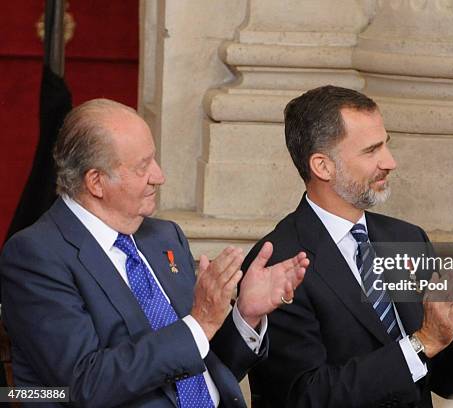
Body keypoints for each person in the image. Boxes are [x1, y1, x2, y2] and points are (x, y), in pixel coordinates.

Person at [0, 99, 309, 408]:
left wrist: (245, 315)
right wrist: (200, 322)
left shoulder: (164, 237)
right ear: (96, 182)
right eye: (142, 166)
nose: (159, 176)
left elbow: (201, 360)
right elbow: (84, 385)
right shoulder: (37, 256)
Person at [243, 85, 453, 407]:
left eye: (386, 145)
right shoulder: (277, 262)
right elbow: (305, 396)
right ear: (322, 166)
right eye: (371, 151)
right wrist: (420, 343)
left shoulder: (408, 240)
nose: (390, 161)